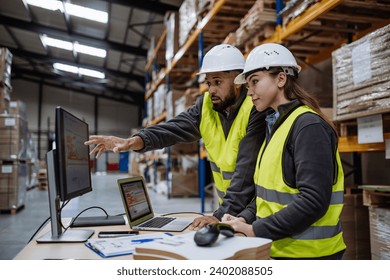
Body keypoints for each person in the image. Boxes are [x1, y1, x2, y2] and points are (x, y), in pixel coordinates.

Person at [85, 44, 268, 229]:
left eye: (218, 82)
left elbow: (245, 172)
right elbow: (172, 129)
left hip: (254, 214)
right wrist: (132, 141)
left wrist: (220, 215)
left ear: (238, 81)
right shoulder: (206, 106)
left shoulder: (255, 109)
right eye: (209, 83)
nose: (211, 90)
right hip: (229, 212)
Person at [222, 43, 346, 259]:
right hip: (283, 249)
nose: (249, 91)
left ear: (281, 79)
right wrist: (243, 218)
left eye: (255, 82)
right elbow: (269, 195)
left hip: (311, 257)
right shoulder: (276, 125)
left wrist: (255, 230)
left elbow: (313, 201)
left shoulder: (308, 126)